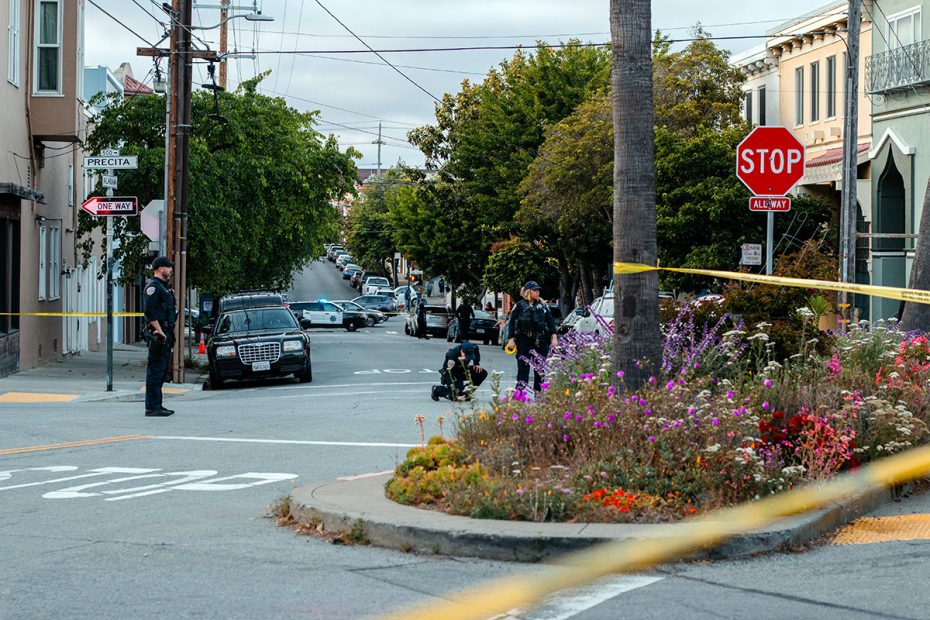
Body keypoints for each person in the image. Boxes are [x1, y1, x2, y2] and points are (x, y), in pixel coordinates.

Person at [506, 281, 558, 393]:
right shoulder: (519, 305)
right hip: (523, 340)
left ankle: (538, 393)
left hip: (540, 341)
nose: (538, 292)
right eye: (535, 290)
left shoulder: (543, 305)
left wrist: (554, 337)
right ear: (528, 291)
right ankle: (520, 393)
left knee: (539, 369)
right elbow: (512, 323)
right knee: (523, 368)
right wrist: (511, 339)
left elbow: (550, 322)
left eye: (538, 290)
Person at [143, 256, 177, 417]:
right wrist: (160, 331)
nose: (171, 270)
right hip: (158, 334)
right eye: (168, 267)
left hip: (166, 333)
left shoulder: (164, 287)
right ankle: (152, 407)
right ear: (160, 268)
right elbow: (149, 312)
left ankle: (158, 404)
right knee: (155, 371)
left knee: (162, 371)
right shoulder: (153, 287)